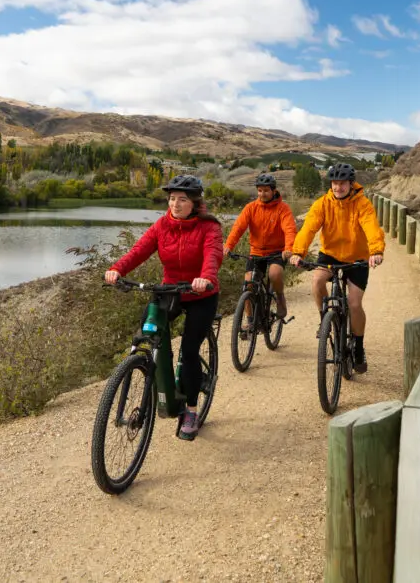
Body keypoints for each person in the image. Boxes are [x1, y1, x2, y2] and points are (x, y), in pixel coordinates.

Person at [104, 174, 223, 441]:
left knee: (189, 352)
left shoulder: (209, 227)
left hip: (201, 294)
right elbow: (139, 251)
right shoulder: (162, 225)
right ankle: (157, 375)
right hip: (170, 291)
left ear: (194, 203)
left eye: (182, 200)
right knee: (148, 333)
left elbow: (213, 255)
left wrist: (205, 278)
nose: (175, 204)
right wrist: (117, 269)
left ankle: (191, 410)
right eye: (171, 199)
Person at [289, 163, 384, 373]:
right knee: (317, 281)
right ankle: (325, 320)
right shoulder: (322, 204)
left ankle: (358, 347)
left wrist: (376, 251)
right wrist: (298, 252)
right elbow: (308, 228)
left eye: (342, 183)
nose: (338, 187)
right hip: (330, 254)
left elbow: (371, 227)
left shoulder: (362, 204)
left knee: (354, 304)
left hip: (357, 258)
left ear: (351, 184)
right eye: (334, 183)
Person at [223, 173, 298, 321]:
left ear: (273, 190)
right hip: (256, 252)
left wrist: (289, 248)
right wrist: (228, 245)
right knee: (248, 284)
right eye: (259, 190)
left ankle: (280, 297)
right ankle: (250, 320)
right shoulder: (251, 208)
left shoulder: (283, 208)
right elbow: (238, 227)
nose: (262, 194)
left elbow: (289, 229)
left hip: (276, 252)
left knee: (275, 274)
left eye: (266, 190)